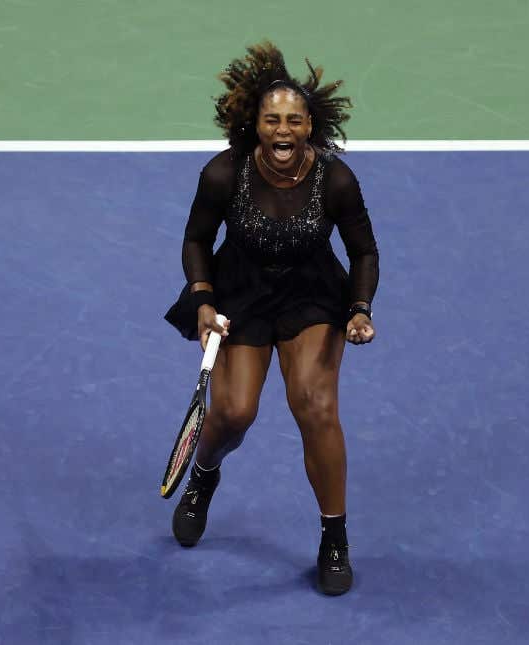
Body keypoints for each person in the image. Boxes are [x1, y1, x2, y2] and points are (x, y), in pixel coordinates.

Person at [164, 41, 379, 596]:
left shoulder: (335, 181)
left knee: (315, 403)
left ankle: (335, 538)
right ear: (254, 124)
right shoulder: (223, 174)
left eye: (293, 120)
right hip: (241, 293)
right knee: (234, 412)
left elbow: (364, 253)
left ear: (311, 125)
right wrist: (204, 299)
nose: (282, 130)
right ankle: (204, 476)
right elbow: (195, 239)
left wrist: (358, 308)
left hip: (311, 296)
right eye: (271, 119)